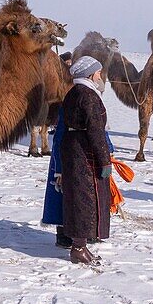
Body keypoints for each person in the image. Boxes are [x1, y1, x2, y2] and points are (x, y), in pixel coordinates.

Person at [58, 56, 112, 264]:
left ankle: (80, 246)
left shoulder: (74, 92)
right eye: (97, 72)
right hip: (85, 151)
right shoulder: (88, 95)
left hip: (73, 147)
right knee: (86, 198)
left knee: (77, 197)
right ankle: (78, 248)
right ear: (90, 74)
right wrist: (104, 159)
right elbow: (96, 129)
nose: (100, 75)